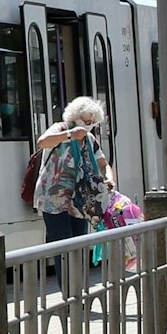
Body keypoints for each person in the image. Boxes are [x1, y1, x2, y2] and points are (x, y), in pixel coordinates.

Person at [33, 96, 110, 244]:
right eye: (87, 122)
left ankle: (77, 268)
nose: (89, 126)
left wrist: (109, 178)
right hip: (53, 199)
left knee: (78, 244)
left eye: (93, 123)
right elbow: (42, 142)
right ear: (75, 117)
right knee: (62, 244)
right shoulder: (60, 128)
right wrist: (70, 135)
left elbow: (102, 162)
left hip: (80, 199)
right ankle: (62, 268)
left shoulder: (89, 139)